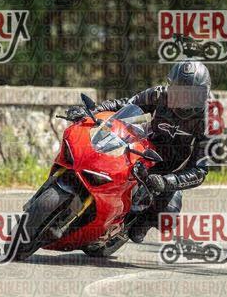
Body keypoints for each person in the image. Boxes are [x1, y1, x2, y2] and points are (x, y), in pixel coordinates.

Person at [65, 61, 212, 243]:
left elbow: (200, 171)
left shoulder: (209, 122)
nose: (184, 100)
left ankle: (140, 222)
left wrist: (167, 181)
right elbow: (125, 104)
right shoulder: (158, 95)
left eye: (191, 95)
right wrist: (91, 112)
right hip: (144, 149)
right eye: (179, 92)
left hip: (171, 171)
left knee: (165, 218)